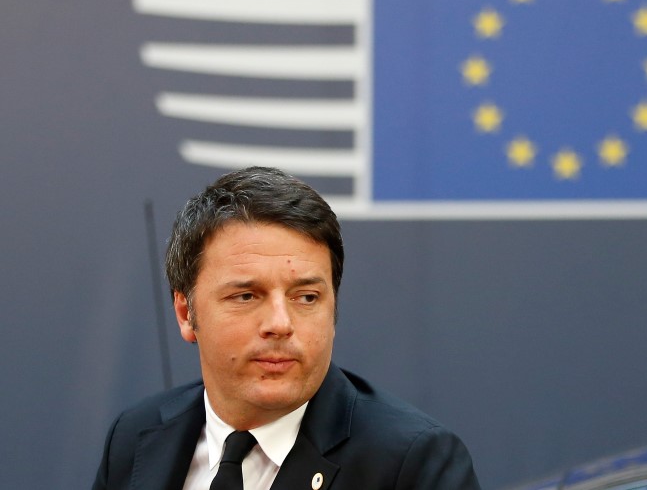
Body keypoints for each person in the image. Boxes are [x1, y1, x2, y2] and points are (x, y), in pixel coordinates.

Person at [93, 166, 482, 490]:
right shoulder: (136, 436)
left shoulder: (413, 465)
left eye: (306, 297)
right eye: (246, 296)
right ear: (185, 312)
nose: (280, 324)